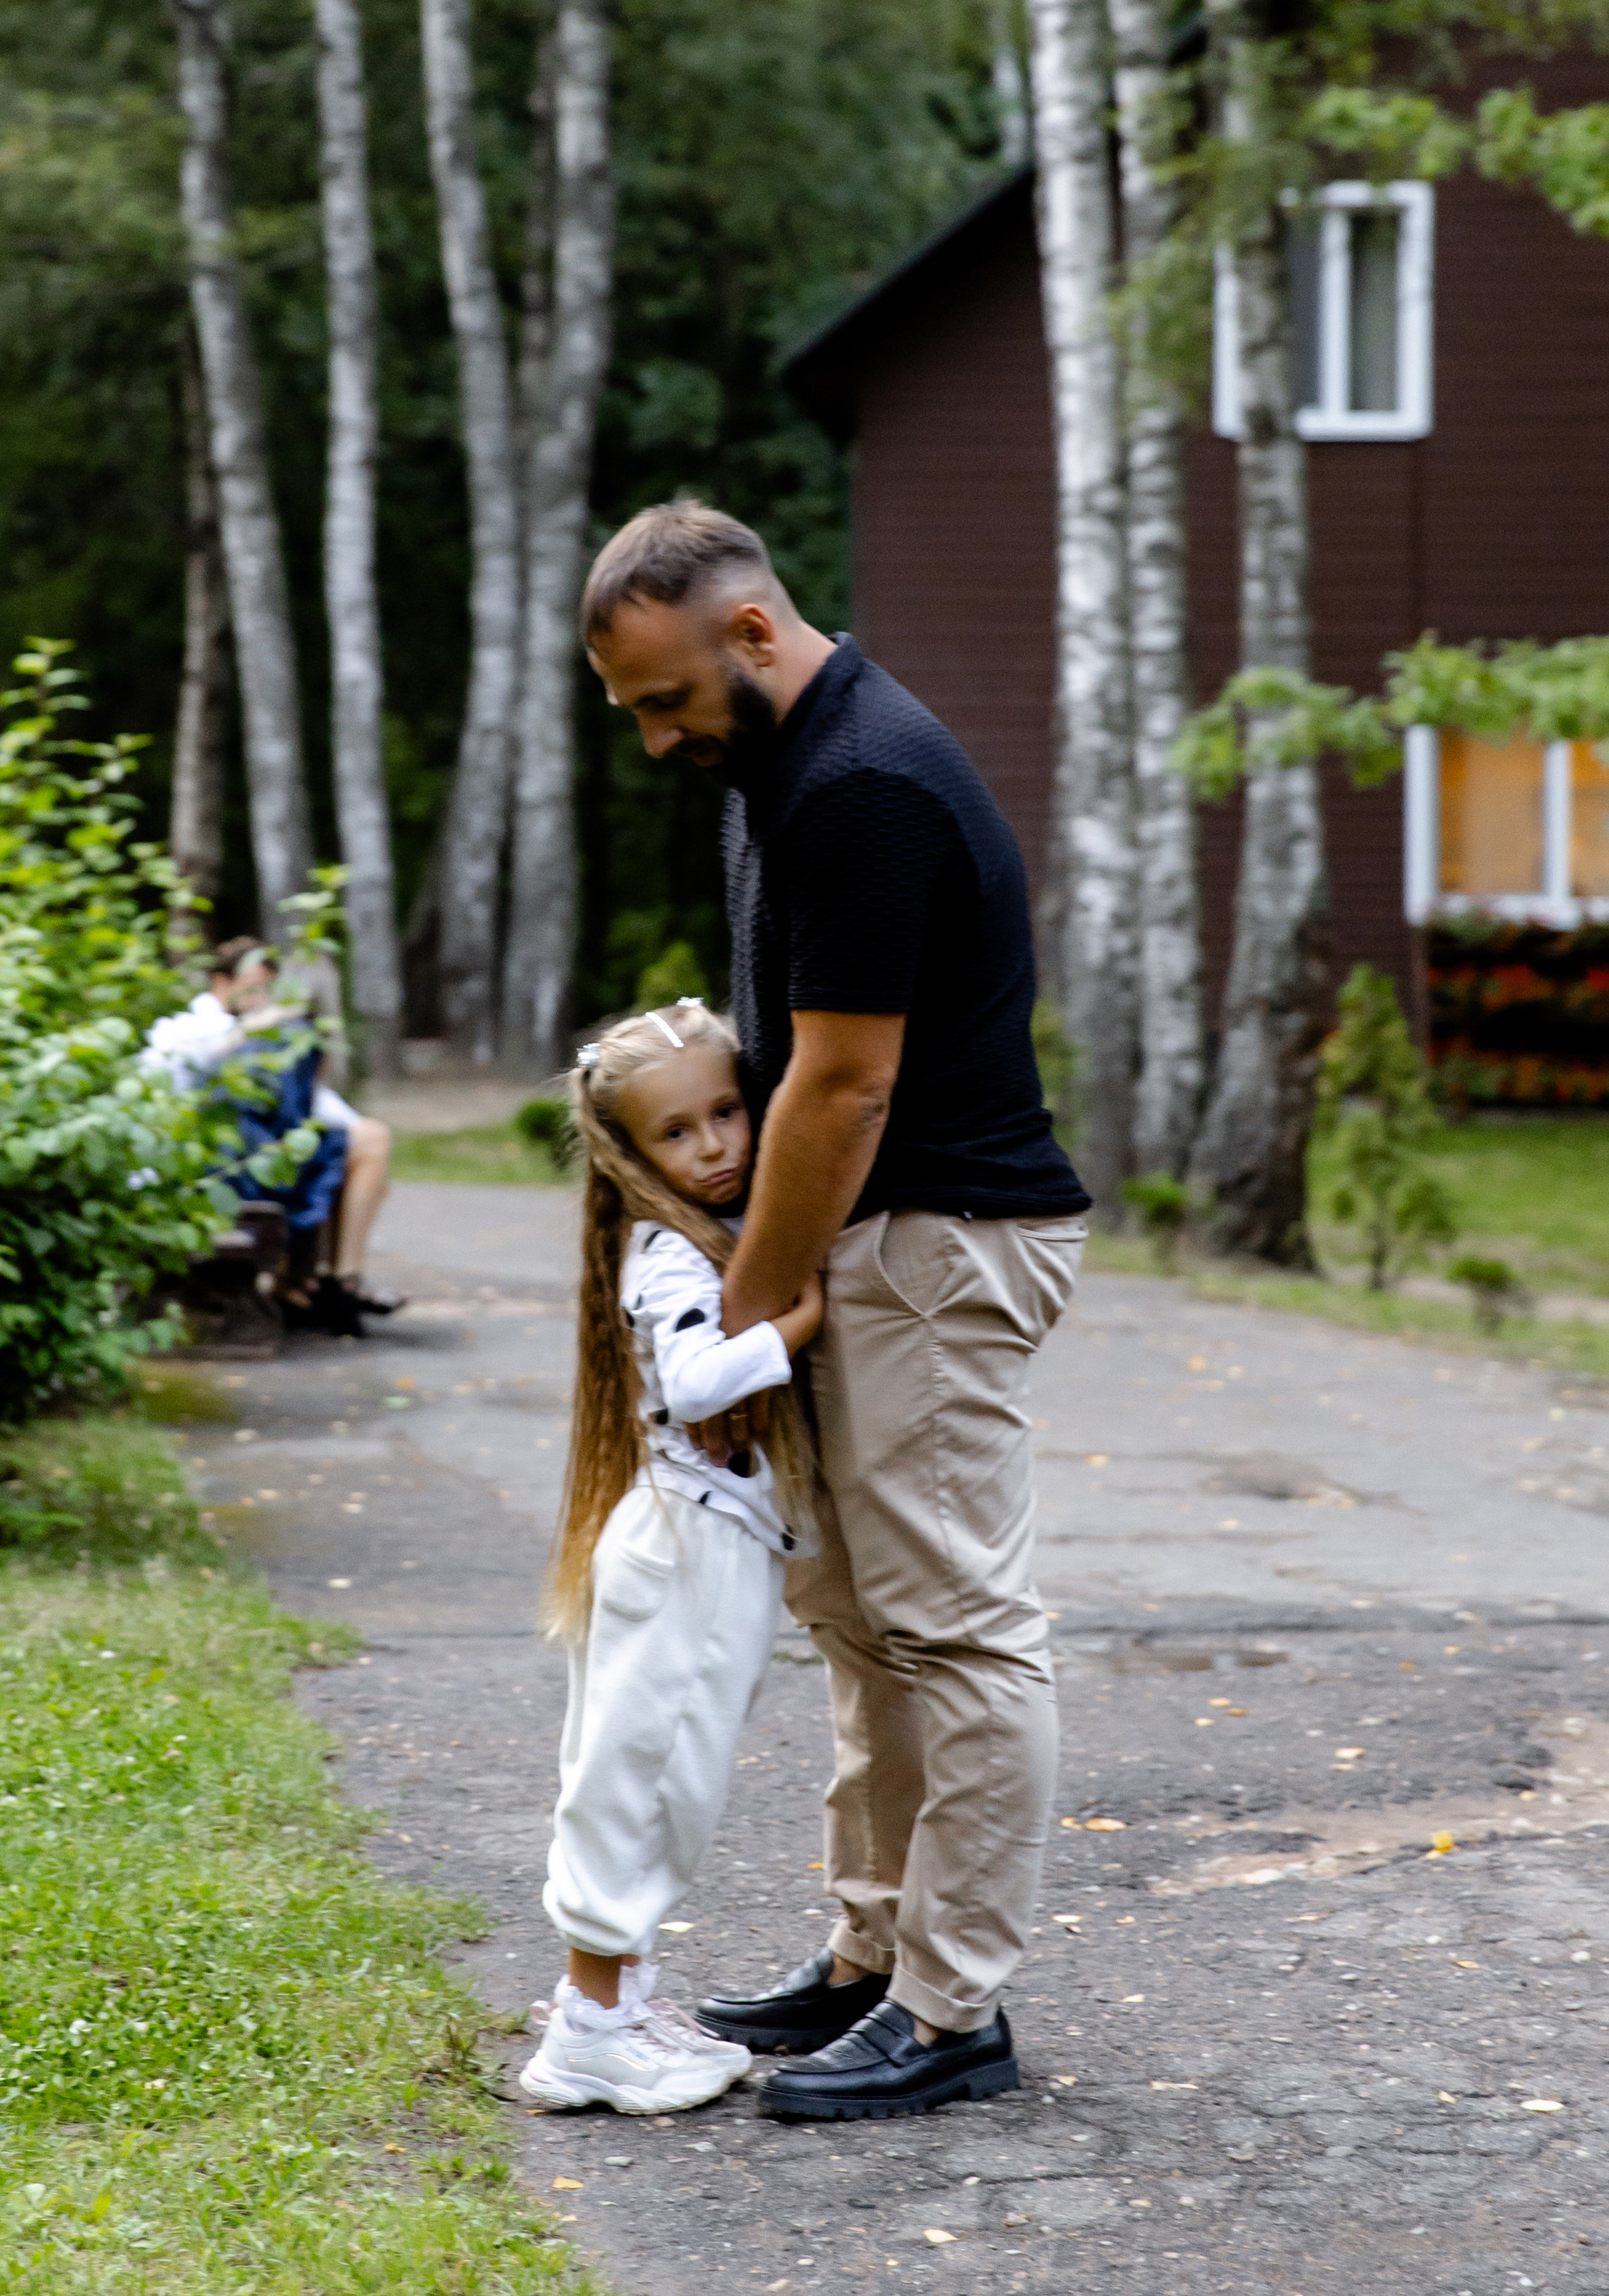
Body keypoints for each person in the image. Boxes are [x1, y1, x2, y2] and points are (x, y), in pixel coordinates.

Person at [581, 499, 1091, 2123]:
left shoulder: (858, 779)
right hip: (871, 1246)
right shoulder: (772, 771)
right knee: (862, 1626)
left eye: (665, 698)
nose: (657, 737)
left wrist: (736, 1319)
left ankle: (952, 2006)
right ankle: (871, 1960)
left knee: (954, 1626)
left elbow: (841, 1080)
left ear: (748, 632)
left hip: (935, 1243)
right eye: (632, 711)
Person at [520, 998, 823, 2117]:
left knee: (641, 1769)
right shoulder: (667, 1253)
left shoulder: (696, 1237)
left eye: (727, 1114)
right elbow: (698, 1385)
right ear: (630, 1153)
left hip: (683, 1544)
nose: (716, 1147)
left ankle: (617, 2001)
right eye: (679, 1133)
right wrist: (799, 1321)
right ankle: (592, 2033)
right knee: (648, 1781)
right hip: (690, 1552)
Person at [142, 937, 401, 1327]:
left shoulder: (273, 1033)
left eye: (269, 986)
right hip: (208, 1169)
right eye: (253, 984)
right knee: (337, 1158)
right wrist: (252, 1031)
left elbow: (316, 1106)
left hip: (255, 1157)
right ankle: (310, 1283)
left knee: (368, 1144)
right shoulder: (189, 1029)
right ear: (221, 982)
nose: (262, 995)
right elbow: (187, 1074)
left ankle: (337, 1281)